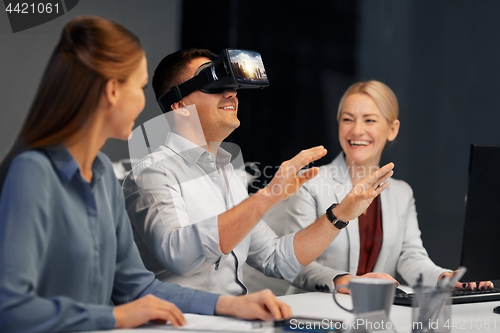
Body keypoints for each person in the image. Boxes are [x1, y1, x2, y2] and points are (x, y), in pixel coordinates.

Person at [0, 17, 299, 333]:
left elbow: (138, 288)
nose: (145, 101)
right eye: (140, 87)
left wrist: (229, 305)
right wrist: (115, 318)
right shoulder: (33, 172)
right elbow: (10, 307)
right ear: (113, 90)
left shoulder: (101, 174)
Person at [122, 49, 394, 296]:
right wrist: (268, 196)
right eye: (214, 83)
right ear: (179, 105)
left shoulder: (227, 174)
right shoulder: (152, 172)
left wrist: (342, 213)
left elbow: (275, 258)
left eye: (232, 86)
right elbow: (177, 254)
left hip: (232, 321)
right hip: (182, 324)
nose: (231, 93)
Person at [286, 80, 494, 293]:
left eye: (370, 120)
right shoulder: (310, 182)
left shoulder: (402, 193)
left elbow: (410, 256)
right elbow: (294, 262)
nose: (357, 130)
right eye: (348, 119)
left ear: (392, 129)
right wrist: (345, 281)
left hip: (375, 312)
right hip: (314, 313)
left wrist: (443, 277)